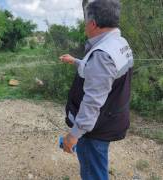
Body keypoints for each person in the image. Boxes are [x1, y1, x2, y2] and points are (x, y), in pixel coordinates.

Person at [59, 0, 133, 179]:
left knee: (93, 173)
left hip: (96, 128)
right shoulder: (119, 42)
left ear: (92, 24)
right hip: (110, 118)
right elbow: (103, 72)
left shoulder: (102, 54)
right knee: (97, 165)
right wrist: (76, 61)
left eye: (86, 21)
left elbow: (92, 101)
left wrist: (74, 135)